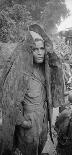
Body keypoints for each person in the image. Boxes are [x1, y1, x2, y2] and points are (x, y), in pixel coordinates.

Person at [0, 24, 64, 155]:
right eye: (35, 49)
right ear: (28, 50)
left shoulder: (46, 69)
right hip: (29, 120)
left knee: (40, 144)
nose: (40, 52)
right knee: (28, 149)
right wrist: (22, 121)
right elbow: (9, 100)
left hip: (44, 118)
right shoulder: (20, 72)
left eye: (42, 48)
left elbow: (56, 75)